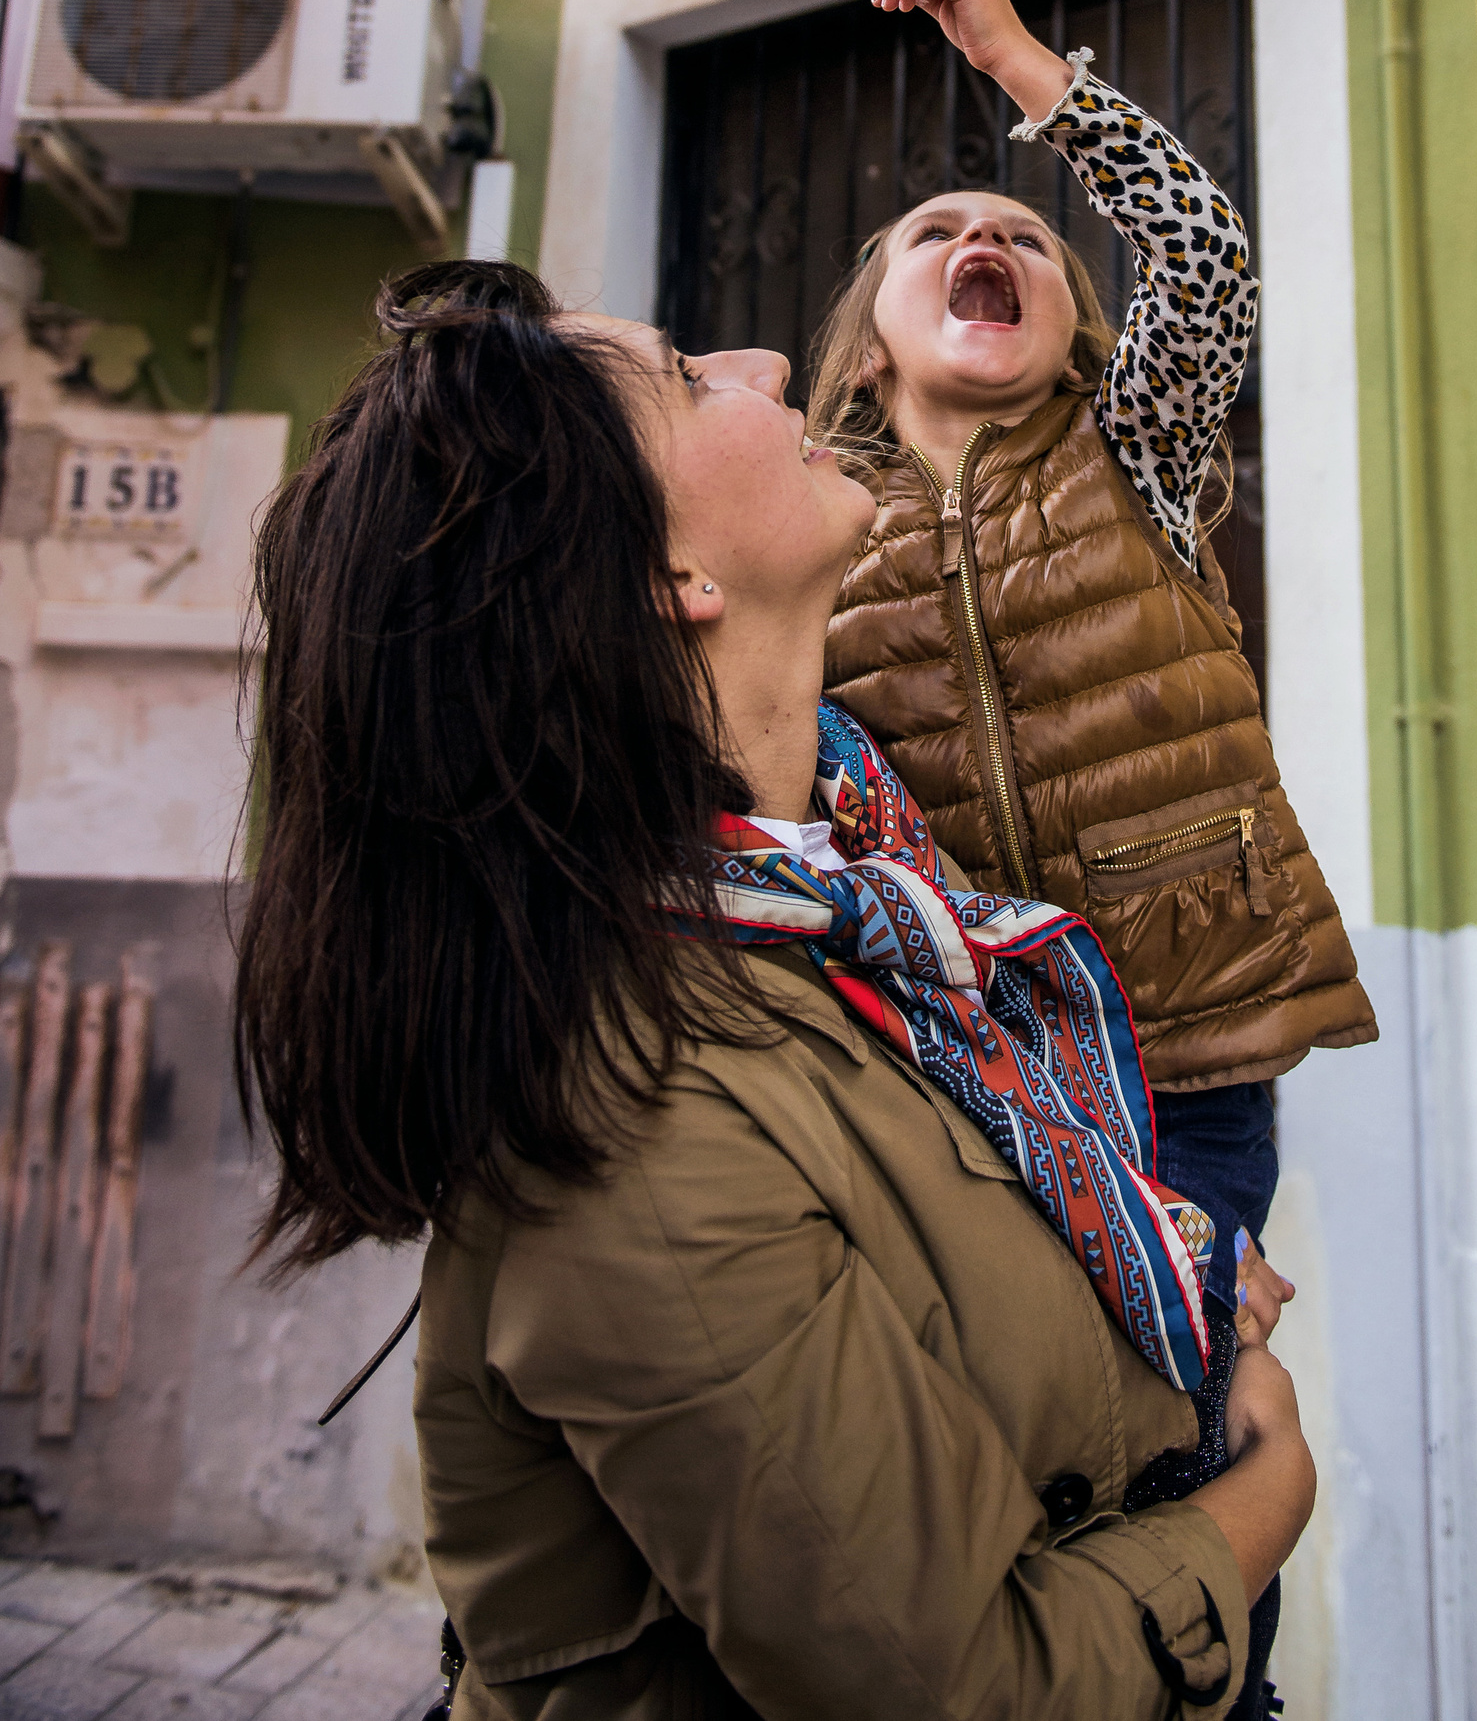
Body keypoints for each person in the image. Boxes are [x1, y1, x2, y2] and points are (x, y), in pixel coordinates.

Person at [232, 263, 1318, 1720]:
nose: (761, 360)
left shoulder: (861, 892)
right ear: (669, 577)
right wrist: (1262, 1498)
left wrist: (1163, 1264)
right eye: (688, 379)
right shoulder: (645, 1138)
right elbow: (965, 1693)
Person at [810, 0, 1378, 1703]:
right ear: (871, 339)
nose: (987, 238)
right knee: (996, 1445)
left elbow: (1202, 262)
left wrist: (1015, 61)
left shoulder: (1141, 447)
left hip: (1186, 1064)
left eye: (1027, 238)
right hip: (953, 1070)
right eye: (936, 233)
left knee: (1186, 1430)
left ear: (1074, 324)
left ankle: (1215, 1696)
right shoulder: (812, 520)